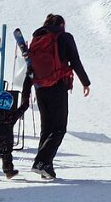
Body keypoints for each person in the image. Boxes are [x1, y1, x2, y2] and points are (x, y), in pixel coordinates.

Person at [25, 13, 90, 179]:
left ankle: (47, 168)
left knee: (47, 129)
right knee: (59, 128)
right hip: (58, 85)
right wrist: (85, 82)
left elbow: (30, 65)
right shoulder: (64, 37)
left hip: (40, 86)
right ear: (61, 25)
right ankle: (41, 162)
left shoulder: (37, 38)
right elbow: (75, 61)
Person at [0, 75, 32, 180]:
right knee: (7, 156)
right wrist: (25, 102)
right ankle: (8, 171)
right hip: (6, 141)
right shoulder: (10, 117)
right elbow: (20, 111)